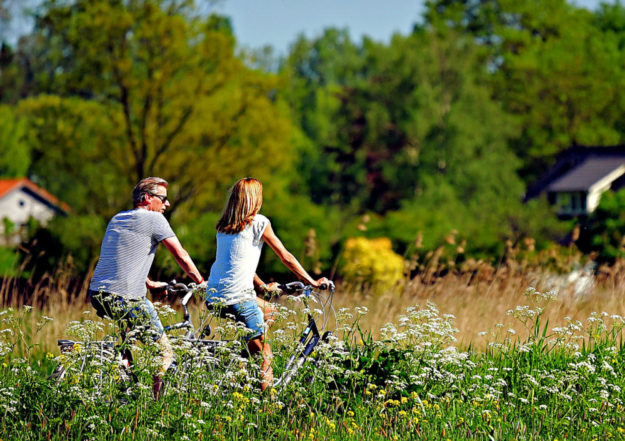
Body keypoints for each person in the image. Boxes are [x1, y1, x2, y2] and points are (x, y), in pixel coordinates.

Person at [205, 177, 331, 392]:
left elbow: (237, 263)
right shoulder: (259, 222)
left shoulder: (224, 227)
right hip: (238, 297)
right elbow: (286, 256)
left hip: (214, 295)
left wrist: (262, 286)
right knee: (266, 355)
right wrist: (312, 282)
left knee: (269, 309)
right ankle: (268, 407)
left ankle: (245, 360)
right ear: (255, 200)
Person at [88, 177, 205, 398]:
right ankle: (155, 405)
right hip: (126, 297)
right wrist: (200, 281)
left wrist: (149, 283)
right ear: (147, 199)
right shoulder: (154, 219)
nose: (167, 204)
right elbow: (180, 255)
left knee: (126, 344)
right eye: (163, 199)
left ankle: (124, 391)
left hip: (98, 293)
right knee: (164, 352)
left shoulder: (117, 219)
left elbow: (122, 259)